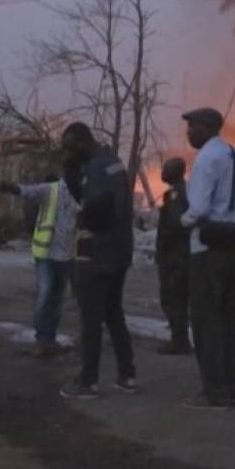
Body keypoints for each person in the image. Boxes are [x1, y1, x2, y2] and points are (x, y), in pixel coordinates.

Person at [180, 107, 235, 410]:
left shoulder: (206, 159)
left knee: (205, 320)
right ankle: (233, 385)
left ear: (208, 128)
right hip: (233, 247)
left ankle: (213, 391)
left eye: (192, 127)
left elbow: (197, 209)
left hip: (208, 250)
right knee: (227, 319)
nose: (188, 133)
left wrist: (182, 222)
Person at [58, 122, 137, 400]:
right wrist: (69, 170)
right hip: (119, 250)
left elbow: (99, 203)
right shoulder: (112, 162)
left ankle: (88, 381)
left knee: (91, 318)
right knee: (113, 313)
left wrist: (84, 217)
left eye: (69, 148)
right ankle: (127, 375)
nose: (67, 152)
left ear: (81, 142)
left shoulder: (96, 168)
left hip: (97, 252)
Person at [0, 173, 79, 357]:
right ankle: (43, 341)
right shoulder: (52, 189)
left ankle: (49, 340)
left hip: (68, 255)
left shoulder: (83, 193)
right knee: (46, 296)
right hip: (47, 253)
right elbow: (27, 191)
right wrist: (10, 187)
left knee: (57, 299)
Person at [155, 157, 193, 355]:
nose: (162, 171)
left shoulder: (177, 194)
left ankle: (179, 341)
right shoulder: (178, 192)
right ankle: (179, 338)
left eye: (166, 169)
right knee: (176, 297)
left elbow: (174, 224)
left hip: (175, 256)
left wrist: (164, 249)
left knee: (173, 297)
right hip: (178, 254)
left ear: (175, 172)